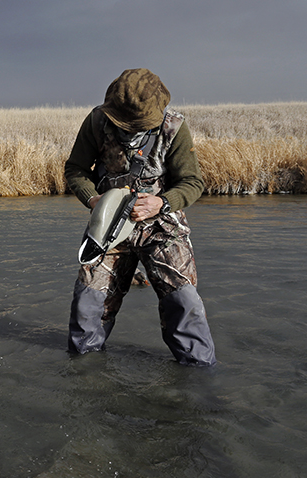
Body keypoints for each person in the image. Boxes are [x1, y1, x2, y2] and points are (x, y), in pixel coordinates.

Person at [64, 69, 217, 366]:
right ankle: (83, 372)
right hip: (108, 226)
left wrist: (162, 202)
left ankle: (199, 378)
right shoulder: (96, 121)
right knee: (87, 304)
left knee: (184, 303)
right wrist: (94, 200)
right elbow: (76, 170)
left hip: (161, 226)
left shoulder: (175, 128)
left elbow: (192, 182)